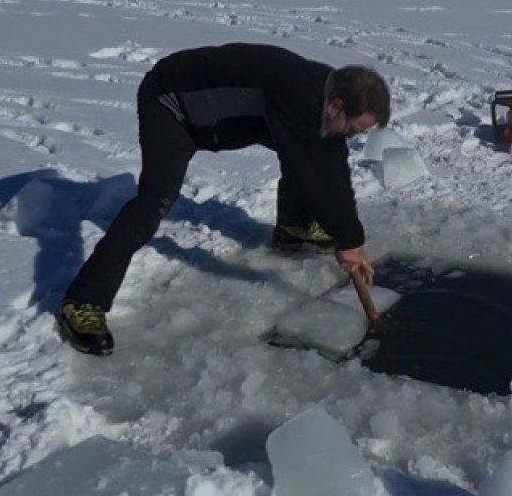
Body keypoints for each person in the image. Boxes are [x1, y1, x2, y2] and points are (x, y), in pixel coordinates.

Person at [55, 43, 390, 356]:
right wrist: (347, 240)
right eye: (354, 129)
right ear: (336, 105)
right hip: (172, 106)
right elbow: (311, 172)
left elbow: (330, 167)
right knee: (153, 201)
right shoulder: (298, 93)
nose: (352, 137)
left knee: (308, 151)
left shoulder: (326, 95)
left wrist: (352, 239)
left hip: (231, 119)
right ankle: (83, 303)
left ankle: (295, 227)